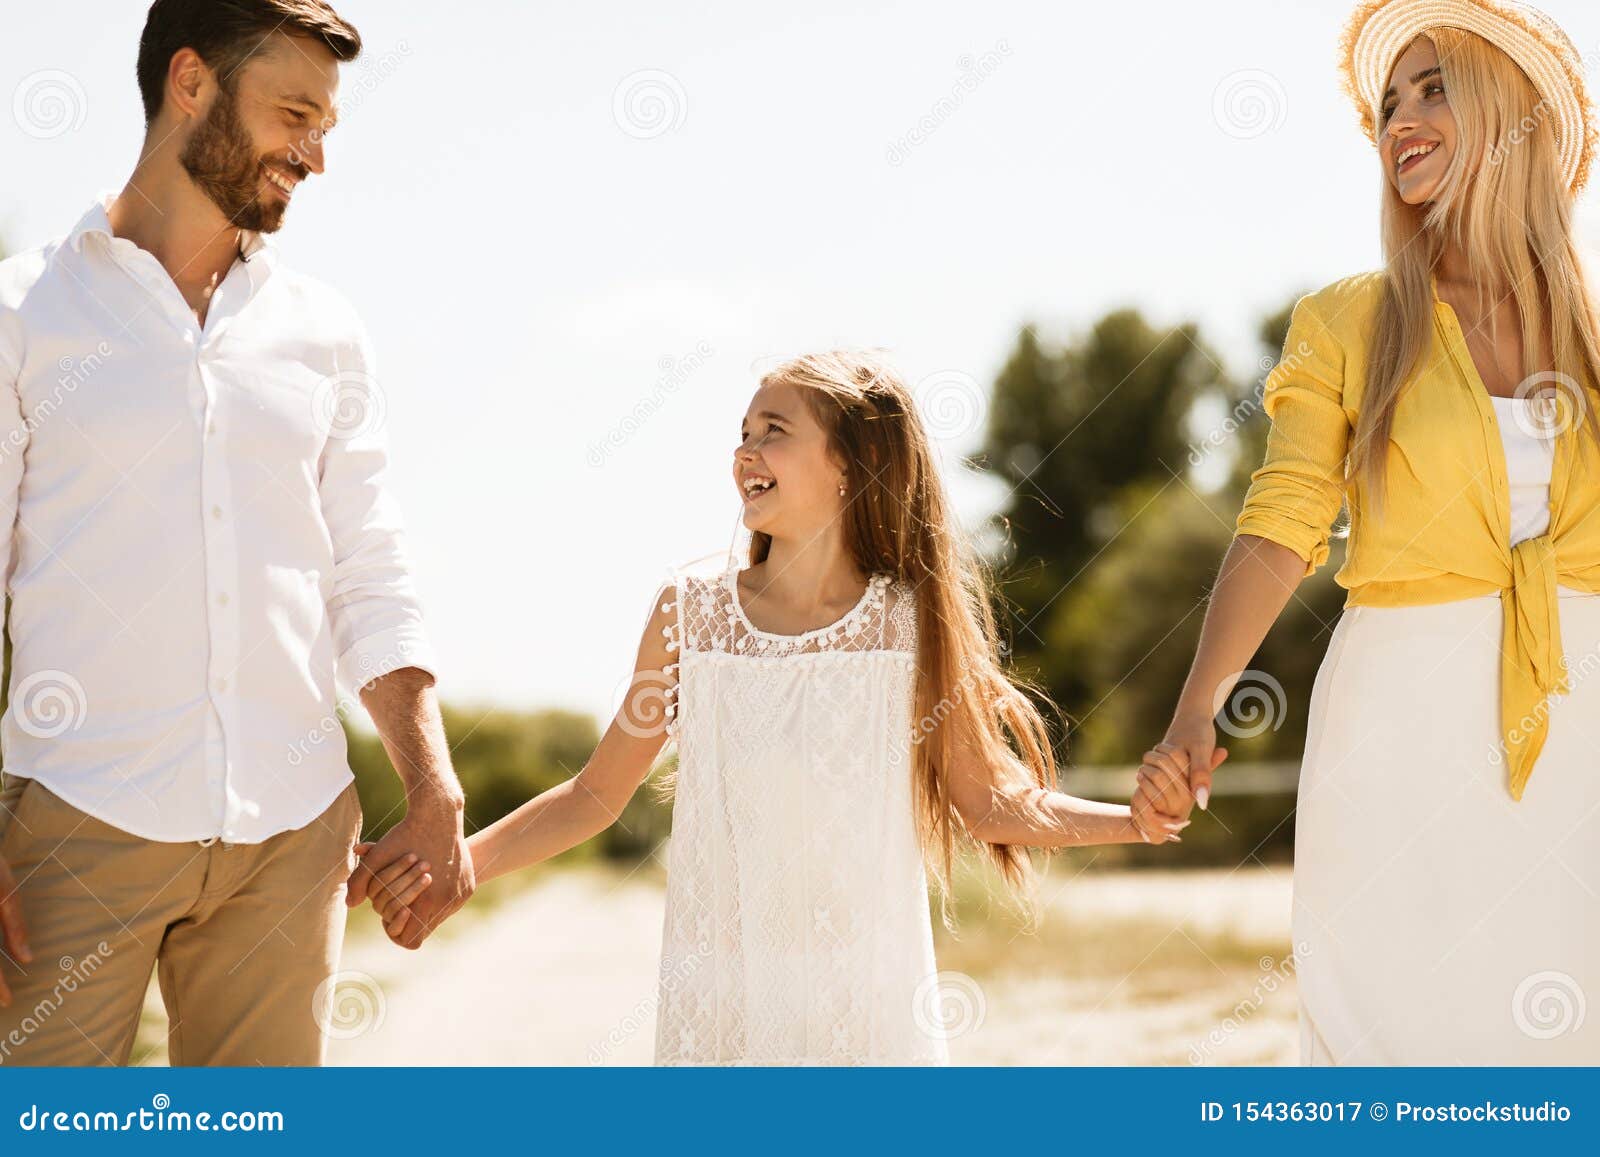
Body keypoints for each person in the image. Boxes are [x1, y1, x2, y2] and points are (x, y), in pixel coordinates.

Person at [375, 351, 1189, 1064]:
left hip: (868, 1028)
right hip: (725, 1025)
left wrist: (1136, 821)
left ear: (849, 462)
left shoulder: (912, 623)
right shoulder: (689, 616)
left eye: (773, 430)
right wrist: (462, 865)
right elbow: (595, 794)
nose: (744, 451)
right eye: (742, 431)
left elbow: (990, 803)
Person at [1133, 0, 1600, 1064]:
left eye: (1434, 86)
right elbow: (1283, 520)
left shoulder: (1593, 335)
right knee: (1395, 1029)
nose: (1401, 119)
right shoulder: (1349, 318)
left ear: (1508, 112)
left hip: (1585, 729)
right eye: (1389, 102)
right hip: (1398, 723)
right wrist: (1195, 708)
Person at [0, 0, 465, 1066]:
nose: (313, 154)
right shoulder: (27, 314)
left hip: (292, 832)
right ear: (192, 82)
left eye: (326, 128)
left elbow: (368, 564)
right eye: (294, 114)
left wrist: (431, 779)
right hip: (78, 823)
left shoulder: (322, 332)